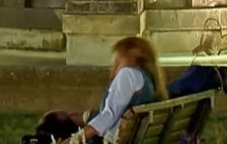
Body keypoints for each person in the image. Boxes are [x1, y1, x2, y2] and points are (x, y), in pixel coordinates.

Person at [31, 35, 164, 142]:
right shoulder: (148, 81)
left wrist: (73, 141)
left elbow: (108, 116)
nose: (113, 67)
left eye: (117, 61)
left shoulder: (128, 75)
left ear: (132, 58)